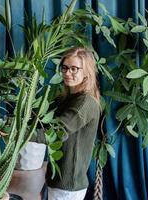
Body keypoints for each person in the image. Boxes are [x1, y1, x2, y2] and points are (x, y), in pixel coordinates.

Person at [32, 47, 101, 200]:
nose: (68, 73)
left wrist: (13, 134)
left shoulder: (85, 103)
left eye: (74, 69)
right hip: (56, 179)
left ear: (86, 71)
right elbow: (38, 119)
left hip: (68, 186)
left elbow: (56, 133)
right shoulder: (64, 98)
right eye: (64, 68)